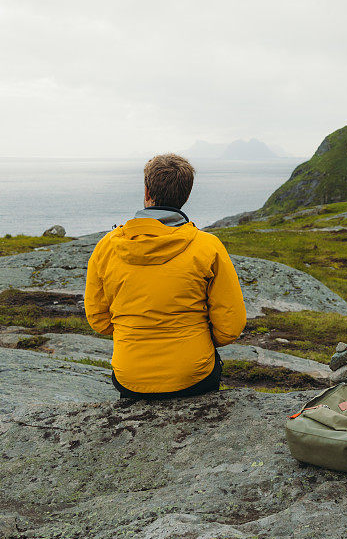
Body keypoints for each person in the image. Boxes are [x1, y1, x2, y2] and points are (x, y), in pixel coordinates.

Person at [84, 153, 246, 399]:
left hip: (129, 376)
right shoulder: (208, 246)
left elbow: (99, 321)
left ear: (147, 192)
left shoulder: (107, 246)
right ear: (186, 195)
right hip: (193, 375)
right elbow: (230, 327)